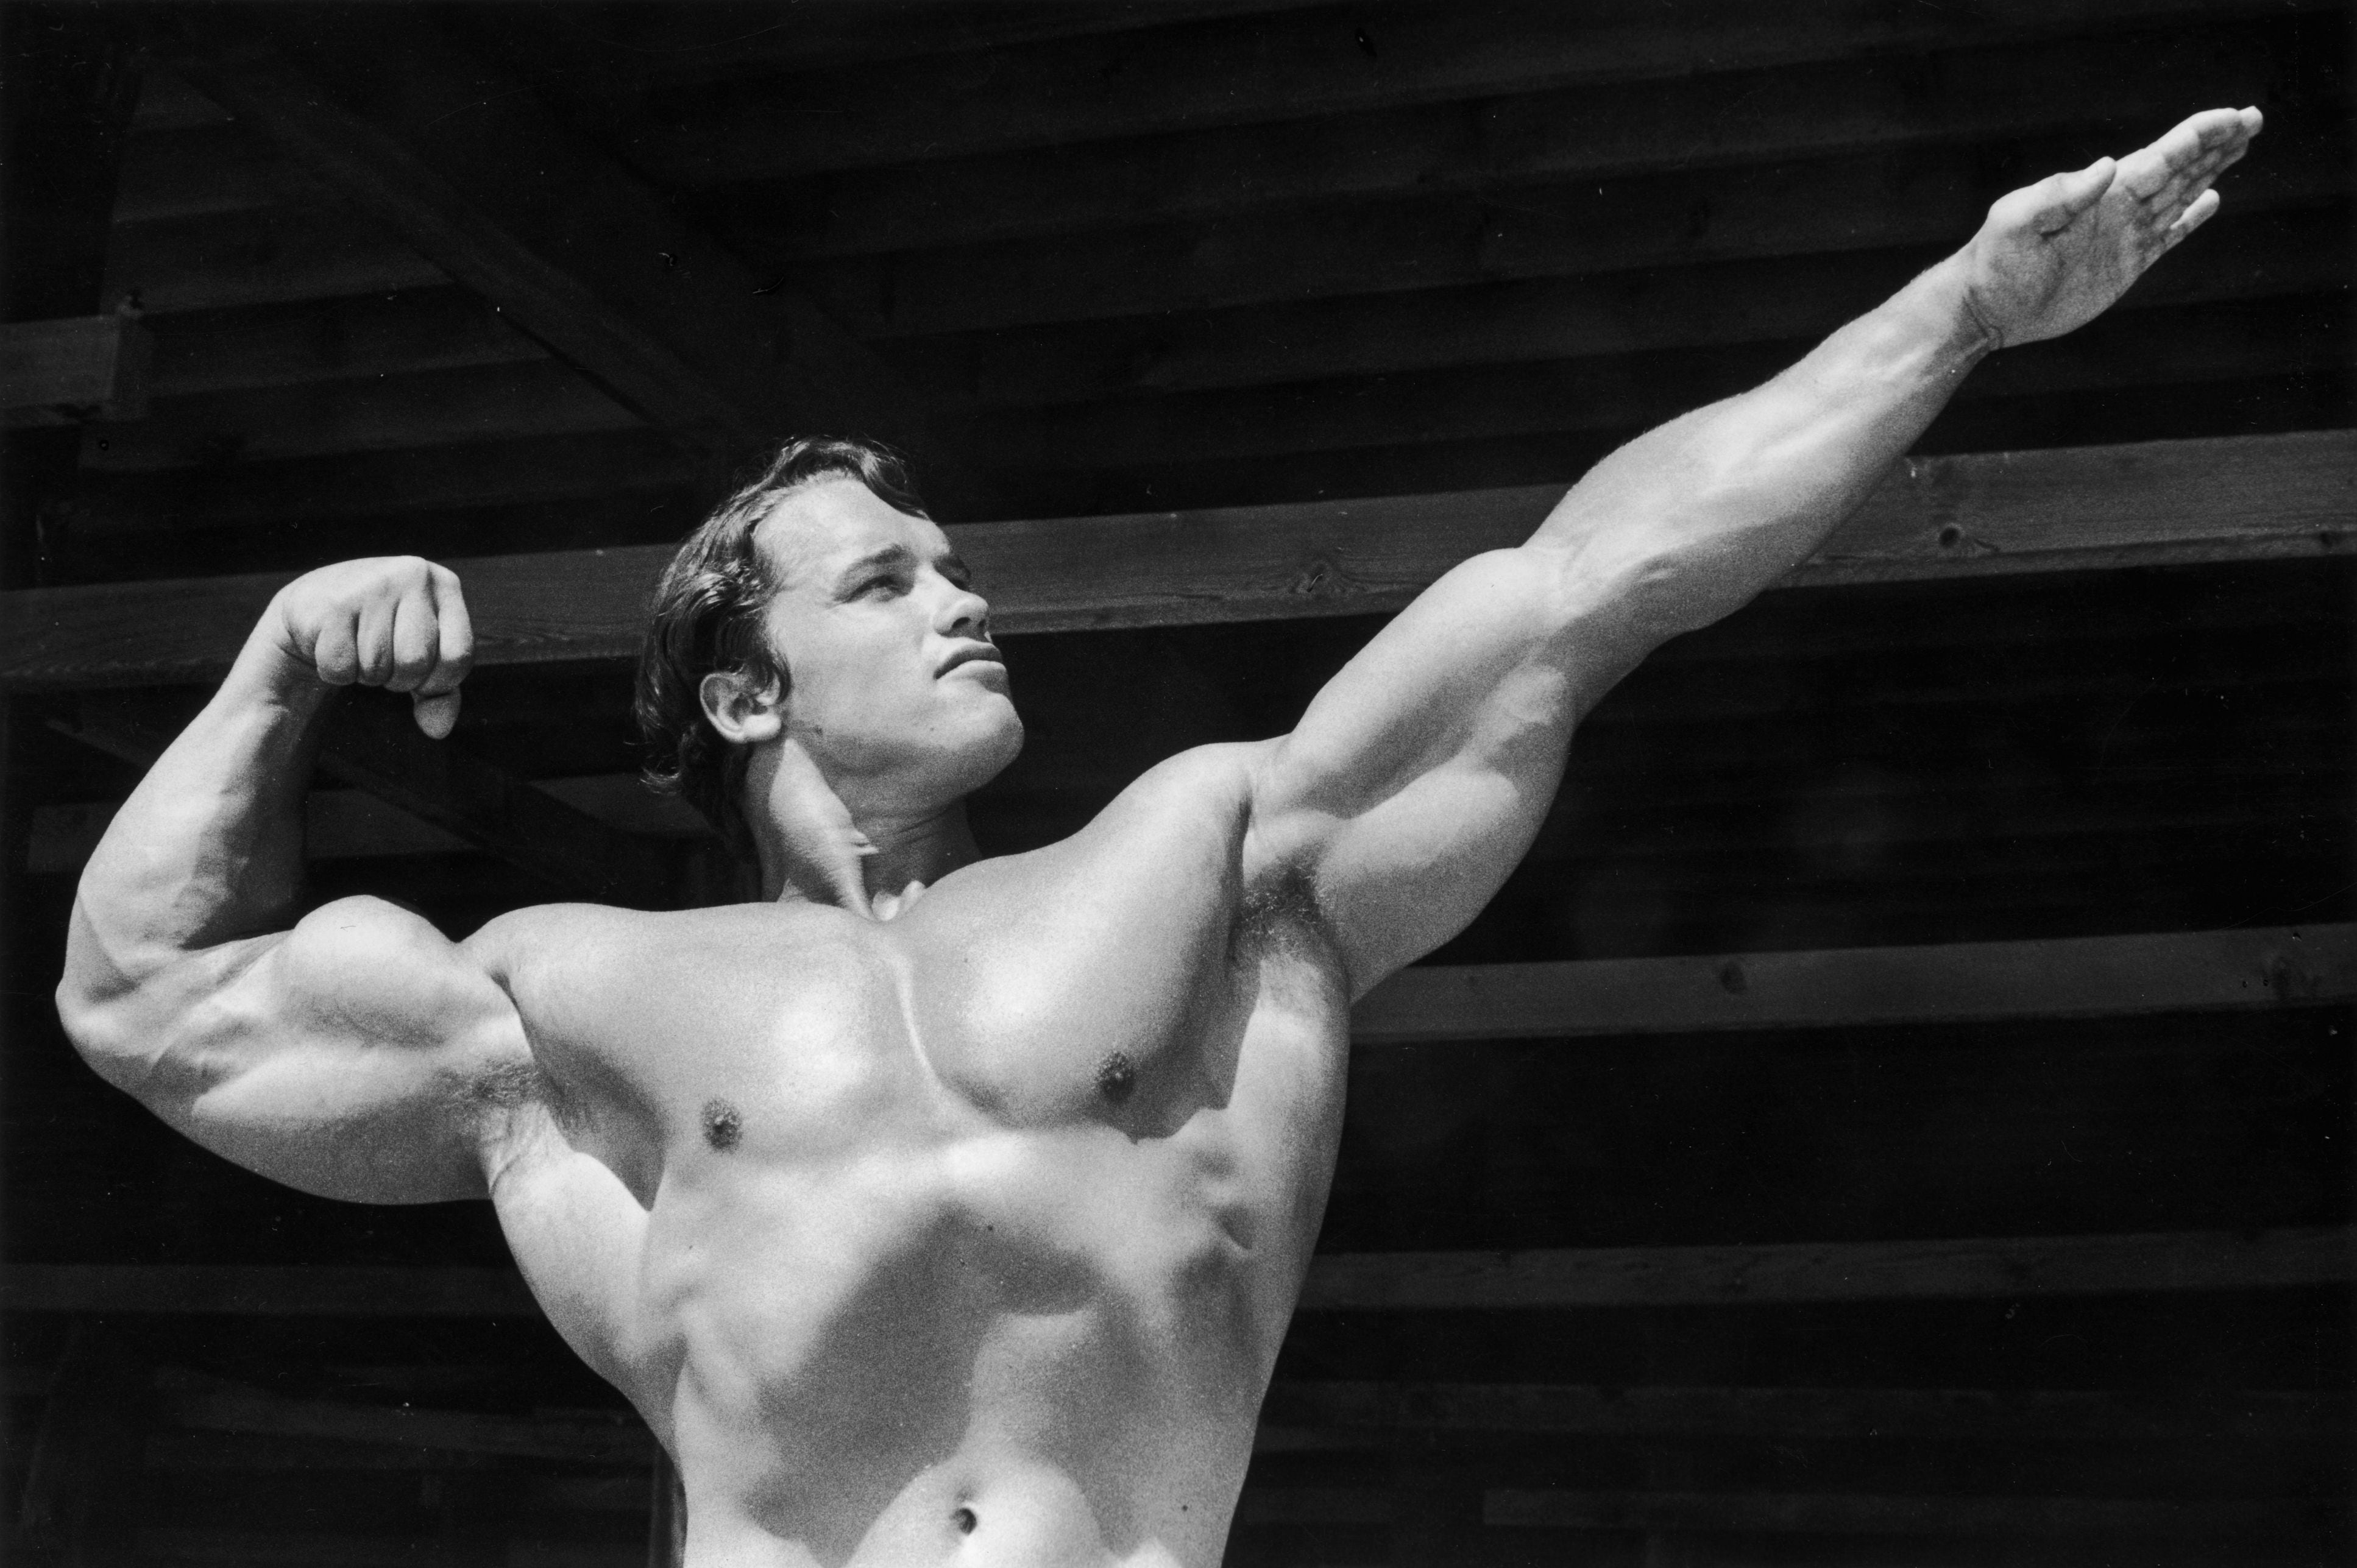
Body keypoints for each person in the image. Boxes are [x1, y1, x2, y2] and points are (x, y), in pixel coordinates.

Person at [58, 108, 2258, 1566]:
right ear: (744, 694)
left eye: (956, 565)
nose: (965, 599)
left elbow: (1584, 582)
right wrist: (277, 665)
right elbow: (143, 1002)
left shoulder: (1206, 864)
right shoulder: (576, 1002)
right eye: (885, 581)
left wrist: (1961, 309)